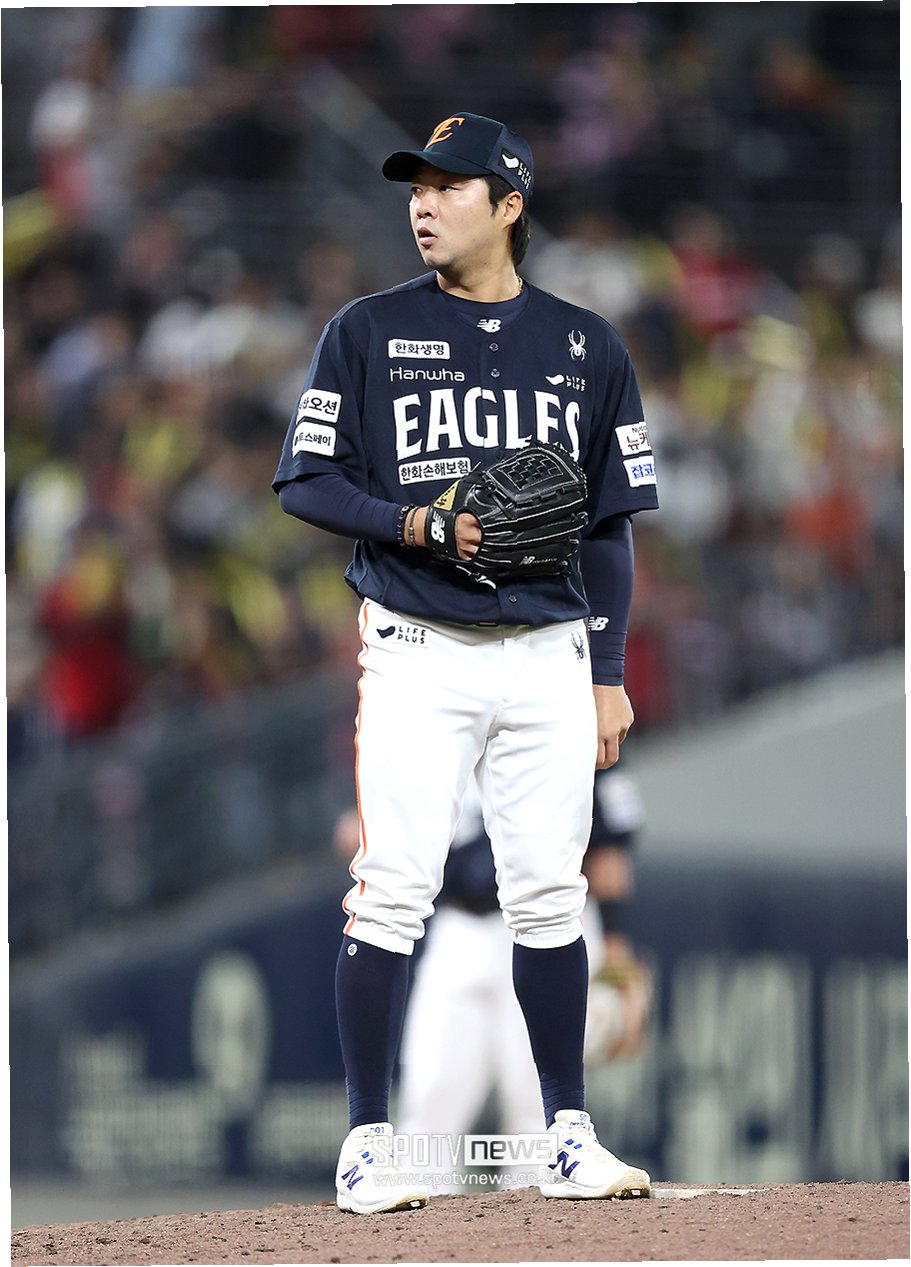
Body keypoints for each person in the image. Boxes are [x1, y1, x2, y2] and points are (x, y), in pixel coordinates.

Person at [273, 111, 659, 1214]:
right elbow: (305, 481)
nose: (423, 204)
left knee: (549, 893)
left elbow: (608, 528)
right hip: (416, 646)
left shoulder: (587, 346)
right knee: (392, 887)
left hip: (547, 651)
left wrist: (606, 669)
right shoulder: (366, 329)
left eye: (448, 186)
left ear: (509, 204)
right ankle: (365, 1143)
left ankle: (567, 1135)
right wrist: (417, 524)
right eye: (416, 187)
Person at [394, 763, 652, 1195]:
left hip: (547, 922)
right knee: (429, 1097)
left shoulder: (570, 724)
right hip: (457, 924)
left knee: (535, 1108)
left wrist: (615, 942)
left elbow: (609, 845)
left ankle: (535, 1232)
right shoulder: (439, 728)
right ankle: (415, 1231)